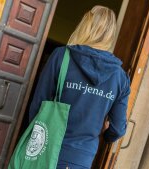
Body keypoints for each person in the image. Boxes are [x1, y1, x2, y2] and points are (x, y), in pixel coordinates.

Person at [28, 5, 130, 169]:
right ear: (111, 34)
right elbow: (117, 129)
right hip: (80, 159)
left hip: (44, 149)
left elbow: (37, 107)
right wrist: (104, 130)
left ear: (86, 25)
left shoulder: (62, 56)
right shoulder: (120, 77)